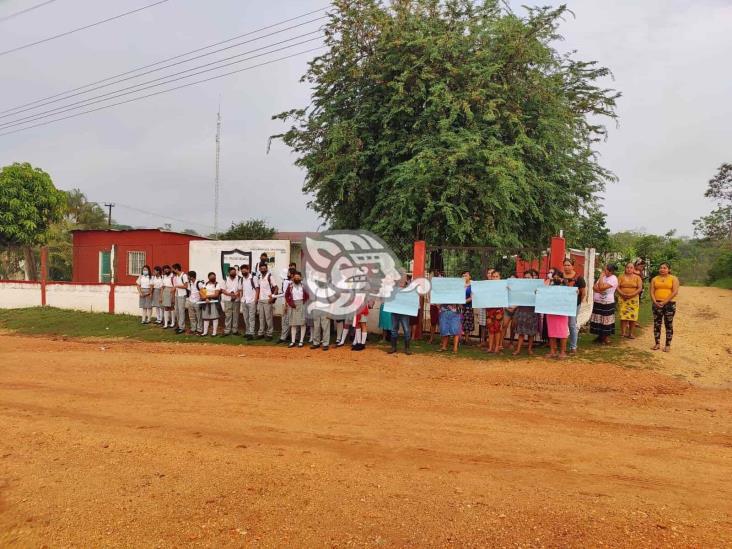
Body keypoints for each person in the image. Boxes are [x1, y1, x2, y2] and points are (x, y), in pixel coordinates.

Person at [650, 262, 680, 352]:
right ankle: (657, 343)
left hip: (669, 304)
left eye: (664, 268)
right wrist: (655, 301)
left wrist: (664, 302)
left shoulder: (673, 279)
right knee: (657, 324)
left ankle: (667, 345)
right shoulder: (654, 279)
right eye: (661, 268)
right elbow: (651, 291)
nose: (662, 269)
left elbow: (675, 292)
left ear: (669, 270)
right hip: (656, 304)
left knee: (668, 324)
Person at [562, 258, 587, 354]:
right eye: (565, 265)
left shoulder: (579, 278)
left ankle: (573, 346)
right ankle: (560, 344)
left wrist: (578, 304)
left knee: (572, 324)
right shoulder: (560, 276)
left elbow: (583, 293)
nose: (566, 267)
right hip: (561, 304)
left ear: (572, 266)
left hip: (574, 305)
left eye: (568, 265)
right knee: (561, 323)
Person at [590, 264, 618, 344]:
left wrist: (601, 277)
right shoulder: (602, 277)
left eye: (605, 270)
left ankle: (606, 337)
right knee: (598, 319)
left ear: (610, 271)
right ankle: (599, 336)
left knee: (606, 320)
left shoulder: (613, 279)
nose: (603, 271)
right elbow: (594, 287)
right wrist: (599, 290)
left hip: (607, 302)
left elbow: (601, 286)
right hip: (598, 301)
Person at [546, 271, 572, 359]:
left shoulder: (566, 288)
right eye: (554, 277)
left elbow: (571, 296)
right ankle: (552, 351)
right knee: (551, 332)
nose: (556, 279)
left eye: (558, 277)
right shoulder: (549, 287)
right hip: (551, 313)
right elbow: (544, 296)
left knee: (562, 332)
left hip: (562, 313)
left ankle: (562, 352)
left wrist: (575, 293)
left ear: (562, 278)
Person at [513, 269, 539, 356]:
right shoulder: (521, 286)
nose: (527, 279)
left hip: (532, 311)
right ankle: (518, 350)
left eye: (529, 277)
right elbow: (514, 293)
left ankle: (529, 349)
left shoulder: (537, 287)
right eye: (525, 277)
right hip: (522, 310)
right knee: (521, 332)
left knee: (531, 332)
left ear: (533, 277)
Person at [617, 262, 643, 339]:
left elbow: (639, 288)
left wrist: (631, 295)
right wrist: (622, 294)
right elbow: (617, 287)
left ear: (634, 269)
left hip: (633, 299)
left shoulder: (637, 277)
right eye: (627, 267)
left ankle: (631, 333)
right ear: (625, 268)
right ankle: (623, 333)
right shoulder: (621, 277)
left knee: (633, 316)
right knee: (623, 316)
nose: (629, 269)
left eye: (631, 268)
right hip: (623, 298)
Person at [285, 271, 309, 348]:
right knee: (293, 324)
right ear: (293, 278)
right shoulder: (290, 285)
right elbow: (286, 295)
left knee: (302, 323)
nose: (297, 278)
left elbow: (308, 295)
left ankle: (301, 341)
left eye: (298, 277)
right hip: (293, 305)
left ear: (301, 278)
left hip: (302, 304)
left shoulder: (304, 286)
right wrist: (290, 303)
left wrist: (305, 303)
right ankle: (293, 341)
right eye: (295, 277)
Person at [256, 262, 278, 340]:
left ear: (267, 269)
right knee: (261, 318)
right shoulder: (259, 277)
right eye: (261, 268)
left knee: (268, 318)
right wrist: (257, 298)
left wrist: (272, 297)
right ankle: (261, 333)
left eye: (264, 268)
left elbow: (276, 287)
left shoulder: (270, 276)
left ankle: (269, 334)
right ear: (259, 269)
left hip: (267, 300)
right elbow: (258, 288)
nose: (263, 270)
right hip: (261, 299)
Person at [486, 270, 504, 353]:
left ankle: (496, 347)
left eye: (497, 276)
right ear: (491, 277)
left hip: (498, 310)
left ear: (500, 278)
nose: (495, 278)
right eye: (493, 276)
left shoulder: (503, 286)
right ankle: (490, 347)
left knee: (497, 329)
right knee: (490, 328)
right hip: (489, 309)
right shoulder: (487, 286)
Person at [239, 264, 258, 340]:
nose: (243, 272)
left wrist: (255, 300)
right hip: (244, 301)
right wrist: (241, 299)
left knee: (252, 318)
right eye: (242, 271)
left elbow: (257, 289)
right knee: (245, 317)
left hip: (252, 301)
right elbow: (240, 290)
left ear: (248, 270)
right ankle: (247, 332)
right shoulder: (241, 279)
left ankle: (252, 333)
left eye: (245, 270)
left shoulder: (253, 278)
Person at [221, 266, 241, 336]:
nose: (234, 274)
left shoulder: (239, 279)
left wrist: (235, 295)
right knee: (228, 315)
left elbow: (240, 289)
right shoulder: (225, 280)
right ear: (228, 273)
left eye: (234, 272)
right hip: (227, 300)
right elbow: (223, 290)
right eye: (232, 273)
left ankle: (235, 330)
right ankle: (227, 331)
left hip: (236, 300)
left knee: (236, 315)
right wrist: (230, 294)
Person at [200, 272, 222, 336]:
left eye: (214, 276)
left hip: (214, 302)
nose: (213, 278)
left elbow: (216, 294)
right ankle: (205, 332)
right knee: (206, 317)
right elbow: (201, 292)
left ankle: (214, 333)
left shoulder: (217, 284)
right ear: (208, 277)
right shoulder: (205, 284)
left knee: (215, 317)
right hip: (205, 302)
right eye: (212, 277)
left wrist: (207, 297)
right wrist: (205, 298)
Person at [278, 267, 295, 344]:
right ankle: (284, 337)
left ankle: (287, 337)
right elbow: (285, 295)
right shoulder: (286, 282)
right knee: (285, 320)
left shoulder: (292, 282)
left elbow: (285, 295)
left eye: (288, 273)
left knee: (288, 321)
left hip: (291, 304)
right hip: (287, 303)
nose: (287, 274)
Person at [172, 263, 189, 335]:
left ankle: (182, 327)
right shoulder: (176, 276)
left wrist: (176, 286)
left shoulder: (184, 275)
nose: (172, 270)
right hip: (177, 294)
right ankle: (179, 325)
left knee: (181, 311)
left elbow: (186, 286)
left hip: (182, 295)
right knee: (177, 310)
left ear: (176, 269)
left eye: (173, 269)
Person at [186, 271, 203, 335]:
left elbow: (203, 292)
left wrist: (200, 300)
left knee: (199, 317)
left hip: (197, 302)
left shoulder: (199, 283)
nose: (187, 277)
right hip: (191, 301)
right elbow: (190, 292)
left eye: (188, 276)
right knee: (192, 317)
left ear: (191, 277)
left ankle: (199, 330)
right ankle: (193, 329)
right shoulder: (190, 283)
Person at [461, 271, 474, 343]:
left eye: (466, 275)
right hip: (460, 306)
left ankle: (466, 339)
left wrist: (464, 301)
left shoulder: (472, 285)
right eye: (463, 276)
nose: (464, 277)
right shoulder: (460, 285)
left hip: (468, 306)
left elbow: (472, 297)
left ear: (469, 277)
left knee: (467, 322)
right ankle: (460, 338)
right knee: (461, 322)